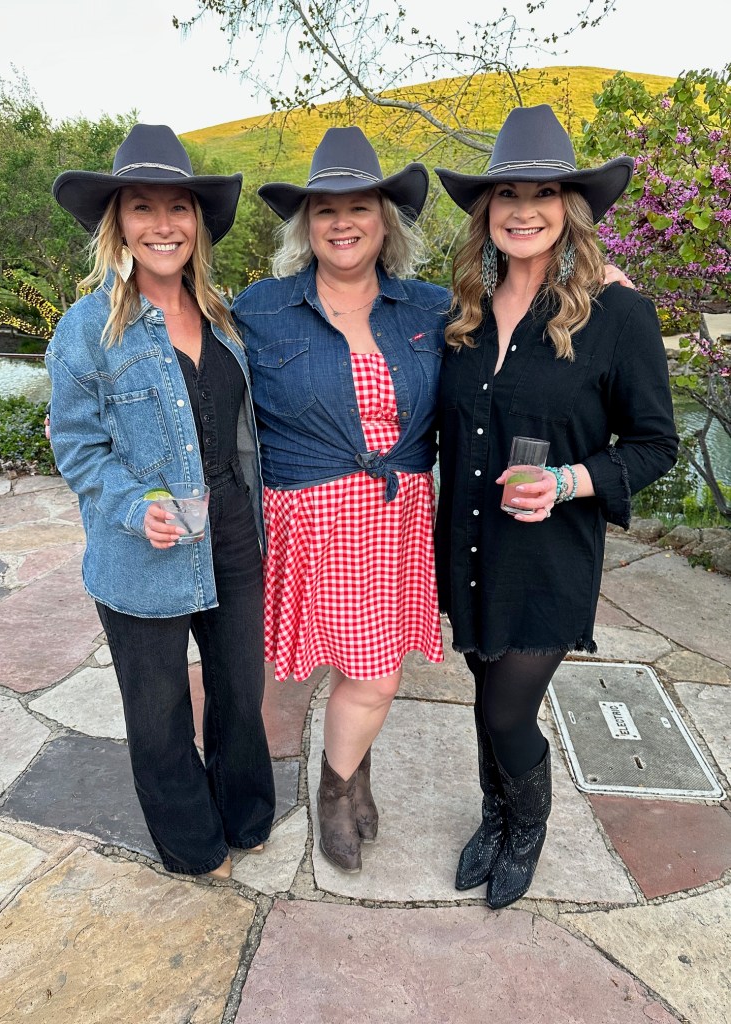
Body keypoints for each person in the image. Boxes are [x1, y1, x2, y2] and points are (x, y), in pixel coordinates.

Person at [433, 104, 679, 908]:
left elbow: (656, 444)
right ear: (487, 211)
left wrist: (570, 481)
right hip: (469, 544)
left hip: (547, 557)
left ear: (569, 208)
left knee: (509, 712)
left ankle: (527, 827)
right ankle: (495, 816)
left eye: (543, 193)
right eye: (507, 194)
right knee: (485, 694)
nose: (523, 209)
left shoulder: (618, 314)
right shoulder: (462, 313)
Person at [45, 124, 275, 881]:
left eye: (178, 207)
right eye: (142, 207)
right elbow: (77, 446)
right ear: (119, 224)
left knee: (239, 693)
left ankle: (244, 816)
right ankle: (191, 845)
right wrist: (132, 503)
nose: (163, 224)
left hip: (232, 530)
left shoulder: (224, 318)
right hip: (142, 546)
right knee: (158, 710)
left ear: (197, 223)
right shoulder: (87, 330)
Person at [232, 127, 449, 872]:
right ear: (306, 225)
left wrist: (597, 280)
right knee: (372, 672)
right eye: (326, 209)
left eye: (360, 207)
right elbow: (188, 354)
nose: (343, 222)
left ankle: (346, 776)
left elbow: (516, 328)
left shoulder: (430, 308)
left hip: (399, 516)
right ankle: (338, 788)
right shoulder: (261, 309)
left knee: (370, 670)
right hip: (313, 518)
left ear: (385, 221)